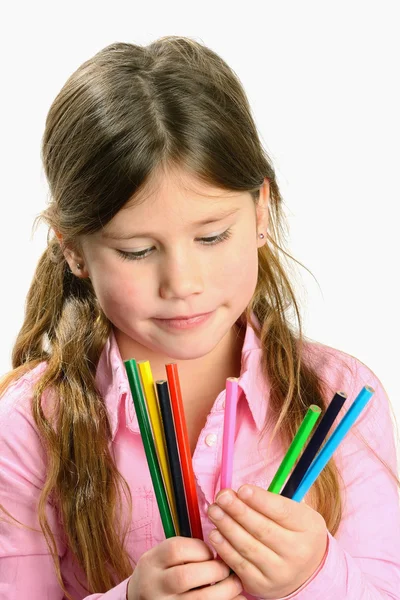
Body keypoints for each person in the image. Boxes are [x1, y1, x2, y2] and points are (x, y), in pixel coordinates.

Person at [0, 35, 399, 600]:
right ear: (73, 250)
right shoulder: (30, 427)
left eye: (212, 236)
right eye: (137, 251)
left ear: (261, 210)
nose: (183, 284)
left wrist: (314, 577)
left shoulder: (338, 397)